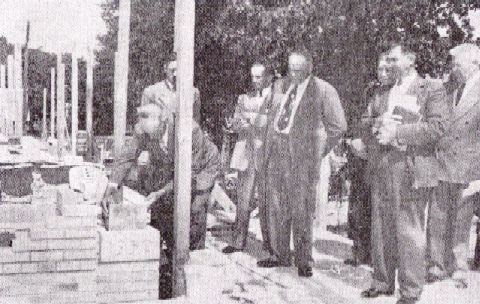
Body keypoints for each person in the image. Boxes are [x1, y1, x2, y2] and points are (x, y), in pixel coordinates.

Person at [360, 44, 449, 304]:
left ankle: (410, 291)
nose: (389, 64)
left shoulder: (431, 90)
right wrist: (376, 126)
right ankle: (382, 281)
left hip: (410, 167)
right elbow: (366, 120)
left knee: (409, 230)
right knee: (381, 225)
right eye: (386, 59)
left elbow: (438, 127)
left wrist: (398, 133)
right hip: (382, 164)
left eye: (394, 59)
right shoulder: (384, 90)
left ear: (410, 59)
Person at [257, 49, 347, 277]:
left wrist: (317, 152)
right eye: (291, 69)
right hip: (277, 151)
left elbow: (338, 127)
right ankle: (279, 254)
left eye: (298, 70)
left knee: (302, 209)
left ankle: (304, 259)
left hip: (302, 159)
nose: (293, 74)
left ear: (309, 68)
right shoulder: (280, 86)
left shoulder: (324, 90)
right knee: (277, 205)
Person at [109, 102, 219, 266]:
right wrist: (111, 186)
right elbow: (127, 157)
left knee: (193, 211)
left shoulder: (190, 130)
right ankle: (170, 259)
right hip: (172, 166)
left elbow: (188, 174)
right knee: (163, 210)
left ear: (163, 122)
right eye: (148, 135)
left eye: (154, 134)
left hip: (201, 168)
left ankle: (193, 260)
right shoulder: (143, 130)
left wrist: (161, 191)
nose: (151, 139)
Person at [426, 43, 480, 288]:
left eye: (457, 63)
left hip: (469, 165)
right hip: (442, 161)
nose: (453, 68)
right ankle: (436, 265)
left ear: (474, 63)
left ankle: (459, 267)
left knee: (461, 218)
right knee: (437, 215)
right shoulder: (447, 88)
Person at [347, 54, 396, 266]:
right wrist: (358, 140)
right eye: (379, 69)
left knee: (382, 207)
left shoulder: (398, 93)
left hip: (386, 156)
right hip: (366, 154)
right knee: (359, 203)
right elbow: (364, 120)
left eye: (386, 70)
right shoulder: (372, 92)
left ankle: (383, 257)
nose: (382, 74)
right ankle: (360, 250)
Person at [222, 63, 273, 254]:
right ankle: (238, 241)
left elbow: (272, 123)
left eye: (259, 77)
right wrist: (240, 124)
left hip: (266, 154)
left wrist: (252, 121)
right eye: (253, 76)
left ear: (267, 78)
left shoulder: (274, 98)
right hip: (246, 154)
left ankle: (270, 246)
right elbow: (235, 123)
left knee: (266, 202)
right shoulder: (243, 98)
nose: (255, 80)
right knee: (243, 200)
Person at [141, 52, 202, 122]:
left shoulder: (192, 92)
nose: (175, 74)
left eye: (178, 70)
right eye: (172, 70)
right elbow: (144, 122)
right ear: (165, 69)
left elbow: (195, 121)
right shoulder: (151, 92)